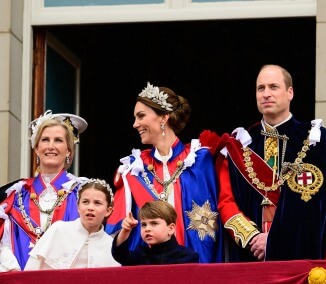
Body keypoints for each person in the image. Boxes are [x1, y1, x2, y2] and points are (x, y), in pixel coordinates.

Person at [215, 64, 326, 261]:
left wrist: (275, 241)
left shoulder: (317, 140)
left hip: (299, 256)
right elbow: (226, 201)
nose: (266, 94)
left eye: (273, 87)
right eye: (260, 88)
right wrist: (252, 238)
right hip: (250, 255)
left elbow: (319, 206)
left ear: (290, 92)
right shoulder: (240, 144)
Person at [106, 83, 222, 263]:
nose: (135, 124)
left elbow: (216, 221)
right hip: (149, 270)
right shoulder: (134, 168)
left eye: (141, 116)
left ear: (163, 118)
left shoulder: (199, 160)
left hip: (195, 266)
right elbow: (115, 234)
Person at [0, 111, 88, 271]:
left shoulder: (83, 193)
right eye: (45, 140)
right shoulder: (16, 195)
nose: (51, 146)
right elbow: (3, 243)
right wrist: (12, 269)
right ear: (36, 149)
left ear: (68, 150)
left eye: (58, 140)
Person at [24, 178, 120, 270]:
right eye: (85, 202)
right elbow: (31, 270)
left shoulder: (111, 246)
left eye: (97, 203)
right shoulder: (58, 229)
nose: (90, 207)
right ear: (78, 207)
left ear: (108, 210)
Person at [112, 200, 199, 265]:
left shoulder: (187, 256)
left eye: (154, 223)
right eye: (143, 225)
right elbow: (120, 255)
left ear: (171, 229)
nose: (147, 229)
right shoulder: (140, 255)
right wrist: (125, 231)